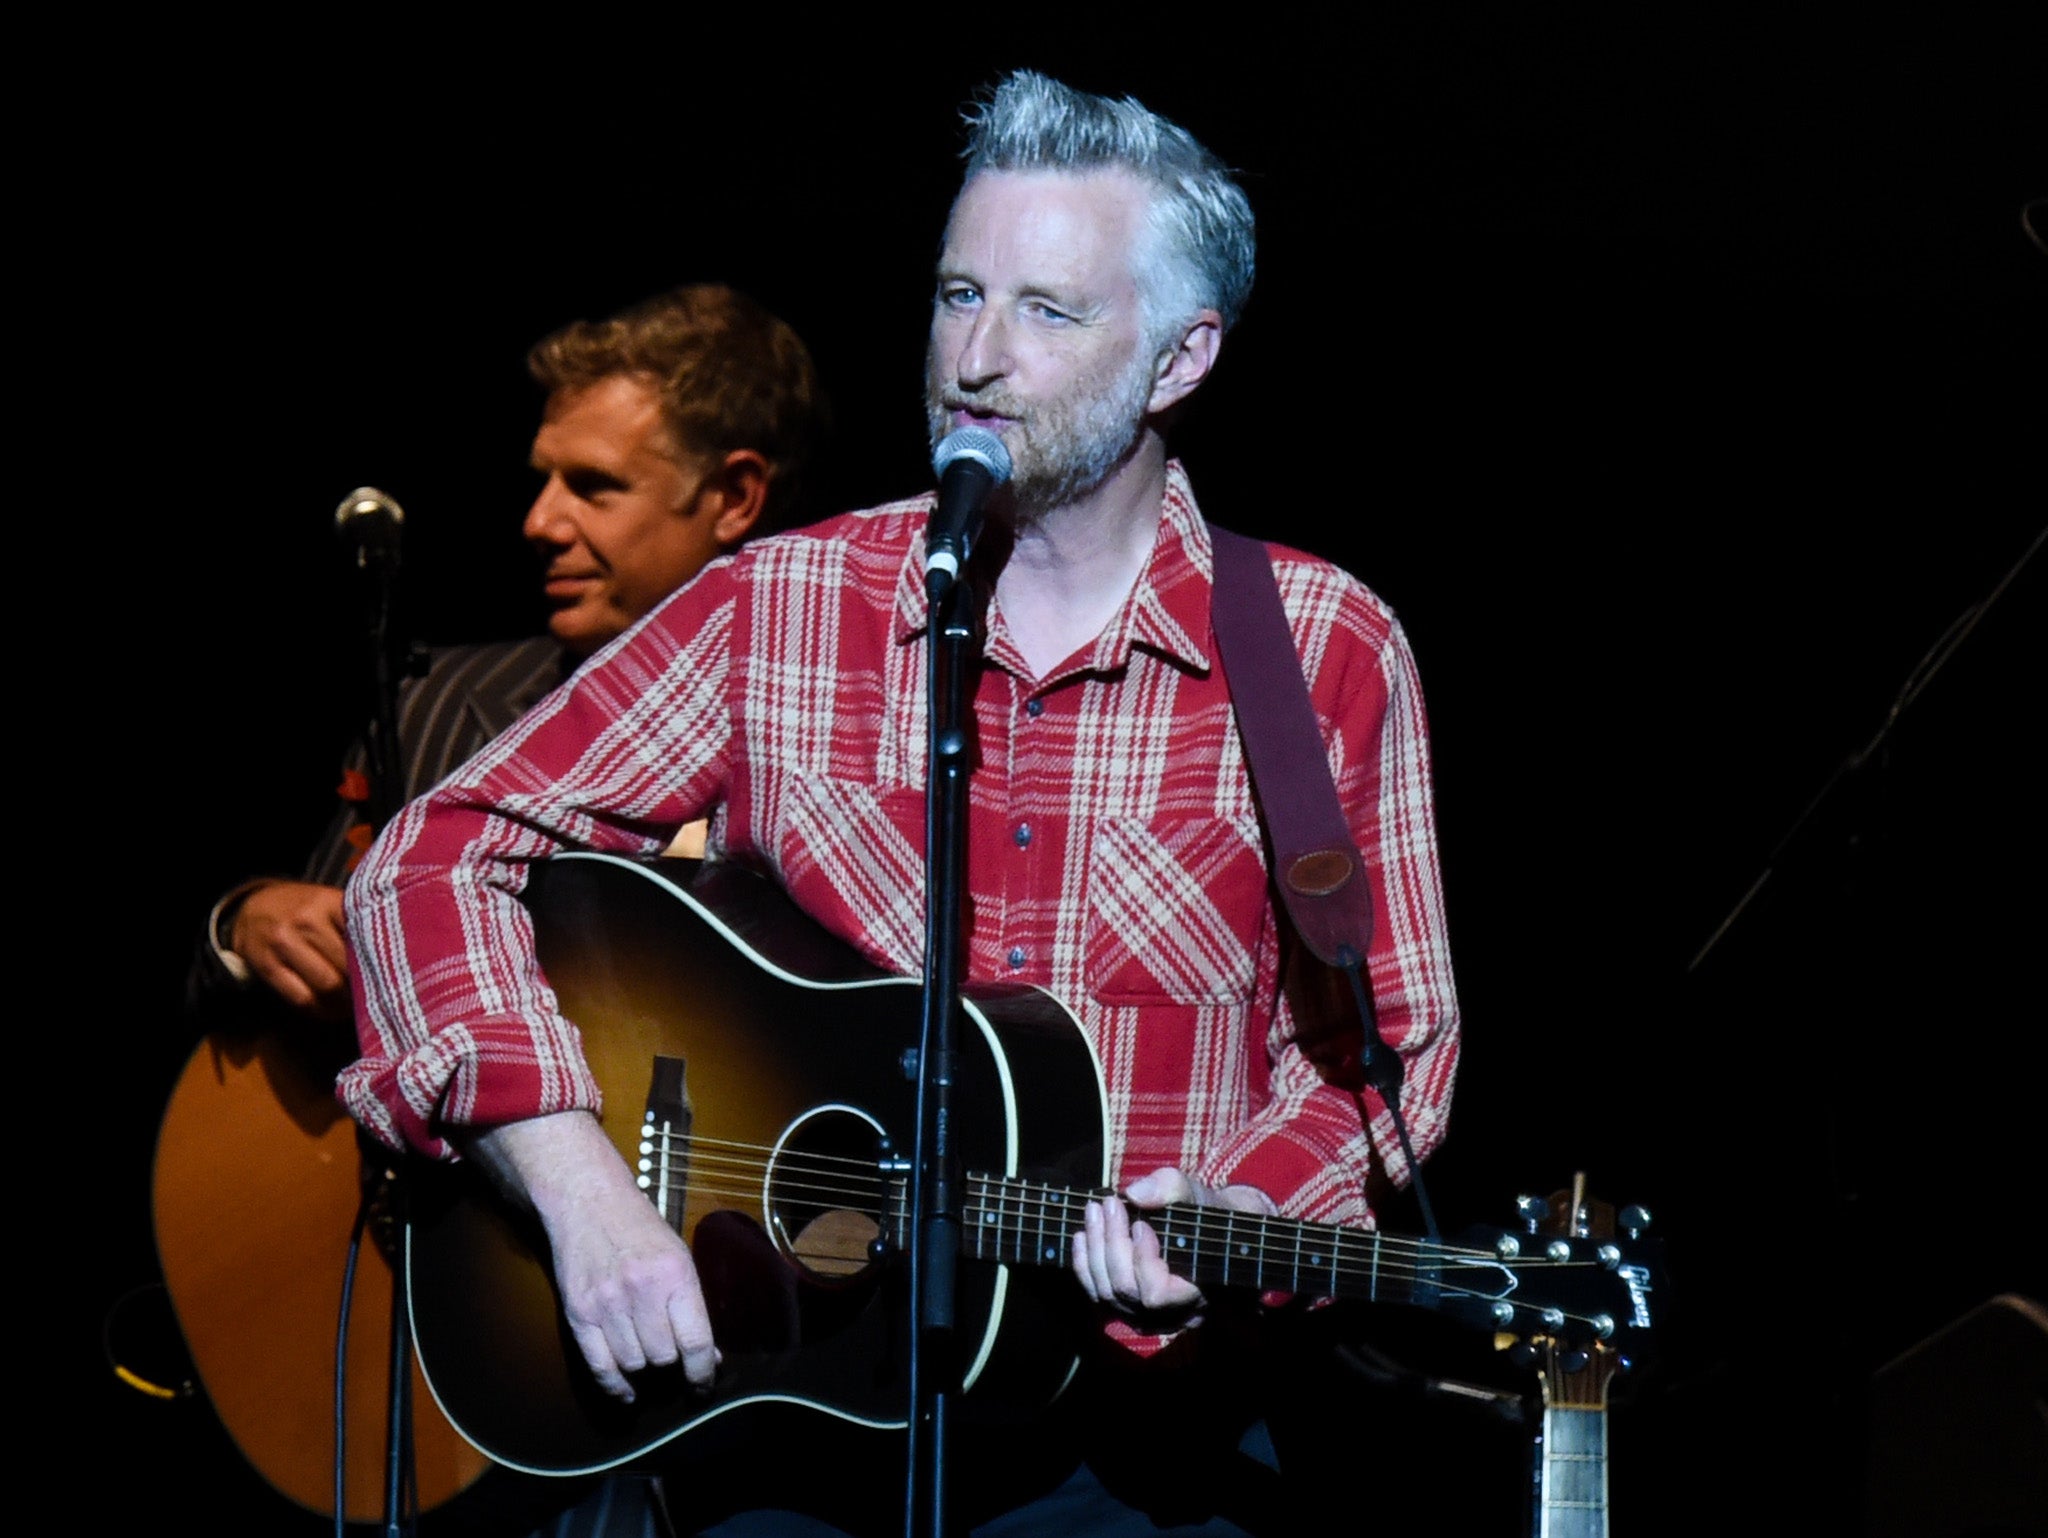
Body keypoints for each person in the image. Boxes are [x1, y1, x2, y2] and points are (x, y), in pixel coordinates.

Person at [340, 72, 1460, 1537]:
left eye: (1049, 312)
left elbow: (1388, 1055)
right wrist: (581, 1188)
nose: (977, 358)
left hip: (1137, 1460)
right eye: (957, 294)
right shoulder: (787, 602)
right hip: (785, 1420)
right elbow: (435, 855)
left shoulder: (1317, 647)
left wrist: (1243, 1209)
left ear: (1183, 358)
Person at [180, 281, 827, 1537]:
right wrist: (245, 920)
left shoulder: (827, 746)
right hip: (458, 1340)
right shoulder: (449, 703)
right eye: (540, 479)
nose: (536, 522)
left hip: (739, 1392)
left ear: (736, 496)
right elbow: (280, 961)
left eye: (593, 486)